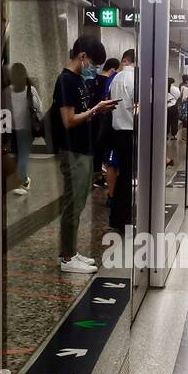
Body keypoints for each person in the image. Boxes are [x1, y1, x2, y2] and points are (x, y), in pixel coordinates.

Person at [52, 36, 113, 272]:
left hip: (83, 149)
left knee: (77, 202)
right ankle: (68, 258)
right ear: (83, 56)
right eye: (94, 64)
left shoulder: (78, 80)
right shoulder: (66, 81)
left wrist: (96, 109)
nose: (95, 70)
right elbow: (68, 120)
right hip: (73, 150)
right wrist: (94, 110)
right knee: (73, 203)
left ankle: (68, 251)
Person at [3, 61, 42, 198]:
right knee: (20, 156)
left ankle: (24, 181)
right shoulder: (25, 90)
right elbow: (39, 108)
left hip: (21, 130)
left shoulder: (12, 90)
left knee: (22, 158)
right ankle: (23, 179)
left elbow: (5, 111)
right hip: (19, 130)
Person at [108, 47, 136, 230]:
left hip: (117, 130)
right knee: (127, 176)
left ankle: (118, 216)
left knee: (122, 174)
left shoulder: (116, 78)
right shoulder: (135, 79)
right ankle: (122, 217)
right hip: (130, 131)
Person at [92, 58, 120, 186]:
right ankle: (101, 175)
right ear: (113, 69)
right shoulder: (111, 82)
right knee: (106, 150)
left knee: (97, 148)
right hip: (105, 120)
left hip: (92, 118)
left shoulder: (92, 81)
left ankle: (97, 175)